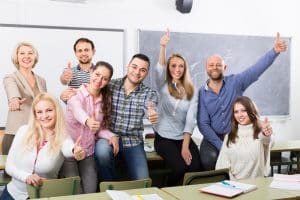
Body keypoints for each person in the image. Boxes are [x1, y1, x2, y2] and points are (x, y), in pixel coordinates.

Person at [197, 32, 287, 170]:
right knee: (209, 160)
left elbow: (256, 70)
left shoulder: (236, 82)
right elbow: (203, 124)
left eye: (218, 65)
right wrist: (221, 145)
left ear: (224, 68)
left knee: (242, 160)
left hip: (236, 134)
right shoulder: (202, 93)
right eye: (211, 65)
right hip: (212, 137)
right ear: (206, 68)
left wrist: (275, 51)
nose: (214, 67)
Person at [0, 93, 85, 200]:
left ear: (56, 111)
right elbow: (9, 166)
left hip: (44, 196)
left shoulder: (63, 137)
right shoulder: (23, 131)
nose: (44, 116)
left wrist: (75, 150)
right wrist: (26, 177)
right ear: (35, 115)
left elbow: (69, 148)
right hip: (13, 195)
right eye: (39, 112)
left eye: (49, 110)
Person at [95, 54, 159, 181]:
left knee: (143, 180)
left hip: (133, 141)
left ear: (146, 73)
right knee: (101, 152)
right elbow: (90, 93)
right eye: (134, 67)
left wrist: (151, 113)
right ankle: (109, 187)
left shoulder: (149, 93)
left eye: (143, 70)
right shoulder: (110, 85)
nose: (137, 72)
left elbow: (150, 108)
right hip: (109, 137)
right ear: (128, 66)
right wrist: (68, 96)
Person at [60, 61, 119, 193]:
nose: (99, 80)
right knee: (77, 192)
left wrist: (112, 136)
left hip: (88, 153)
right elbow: (77, 110)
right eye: (97, 74)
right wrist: (87, 121)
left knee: (91, 191)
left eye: (104, 78)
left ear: (108, 81)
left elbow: (100, 128)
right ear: (91, 72)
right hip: (70, 152)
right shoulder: (75, 94)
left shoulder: (104, 100)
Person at [153, 30, 201, 186]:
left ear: (185, 68)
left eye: (181, 66)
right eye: (173, 65)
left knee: (195, 167)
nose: (177, 69)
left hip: (183, 138)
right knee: (180, 168)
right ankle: (167, 191)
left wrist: (185, 146)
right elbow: (159, 69)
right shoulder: (162, 85)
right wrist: (162, 47)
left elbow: (190, 120)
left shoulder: (192, 90)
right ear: (169, 67)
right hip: (164, 138)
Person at [2, 42, 47, 154]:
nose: (26, 56)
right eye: (22, 53)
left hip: (37, 133)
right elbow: (12, 91)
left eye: (30, 53)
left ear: (35, 57)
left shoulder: (41, 81)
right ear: (17, 57)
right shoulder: (10, 78)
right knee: (9, 170)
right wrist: (14, 99)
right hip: (15, 133)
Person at [215, 96, 273, 180]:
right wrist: (233, 183)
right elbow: (222, 165)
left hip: (257, 185)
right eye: (236, 112)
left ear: (251, 111)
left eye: (243, 110)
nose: (240, 115)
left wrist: (266, 134)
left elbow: (267, 141)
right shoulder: (229, 136)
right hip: (234, 185)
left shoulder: (261, 133)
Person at [60, 37, 95, 102]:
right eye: (80, 51)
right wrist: (64, 77)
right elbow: (63, 80)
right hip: (74, 110)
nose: (83, 53)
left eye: (86, 50)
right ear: (75, 53)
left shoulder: (99, 72)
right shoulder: (69, 70)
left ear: (93, 51)